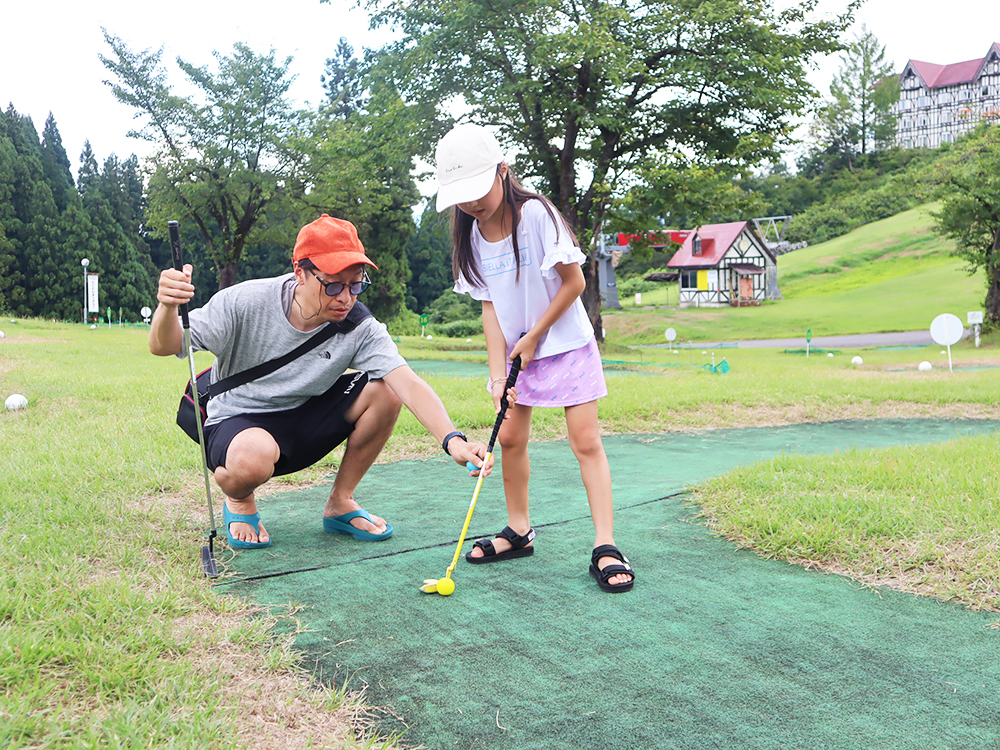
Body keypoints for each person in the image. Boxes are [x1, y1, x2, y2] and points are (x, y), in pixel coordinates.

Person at [150, 214, 494, 549]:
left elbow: (407, 382)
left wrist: (454, 441)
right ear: (300, 273)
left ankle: (341, 501)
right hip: (241, 425)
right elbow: (164, 345)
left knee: (386, 390)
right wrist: (167, 306)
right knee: (253, 456)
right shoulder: (245, 302)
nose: (345, 297)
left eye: (356, 284)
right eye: (333, 284)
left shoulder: (359, 325)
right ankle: (240, 498)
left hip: (305, 420)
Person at [434, 124, 635, 593]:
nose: (471, 204)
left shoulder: (537, 214)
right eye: (460, 196)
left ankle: (605, 544)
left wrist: (535, 337)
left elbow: (575, 284)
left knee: (585, 441)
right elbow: (489, 308)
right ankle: (519, 530)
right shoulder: (472, 234)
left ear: (503, 172)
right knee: (511, 440)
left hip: (565, 344)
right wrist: (495, 369)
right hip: (517, 355)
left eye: (477, 191)